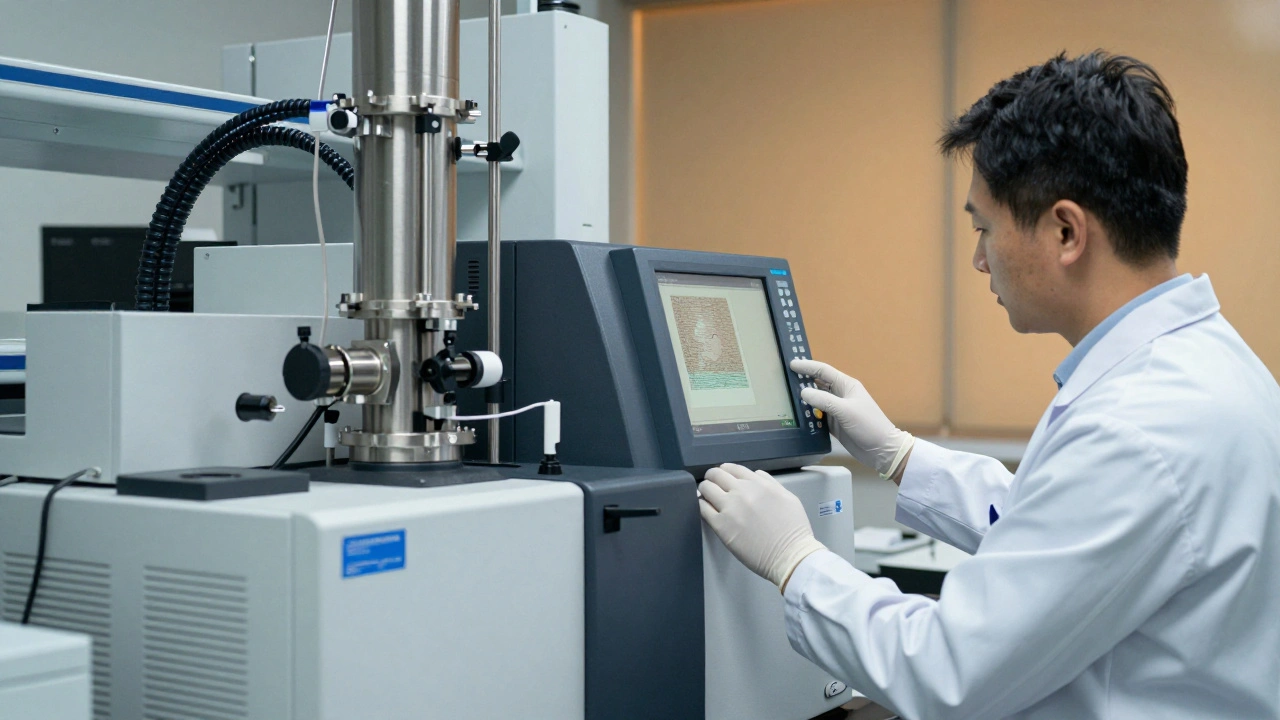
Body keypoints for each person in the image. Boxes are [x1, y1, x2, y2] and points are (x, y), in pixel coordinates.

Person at [697, 51, 1280, 719]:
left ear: (1065, 231)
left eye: (984, 228)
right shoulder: (1209, 367)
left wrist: (795, 560)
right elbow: (1060, 530)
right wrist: (901, 455)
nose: (979, 259)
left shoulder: (1140, 427)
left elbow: (945, 671)